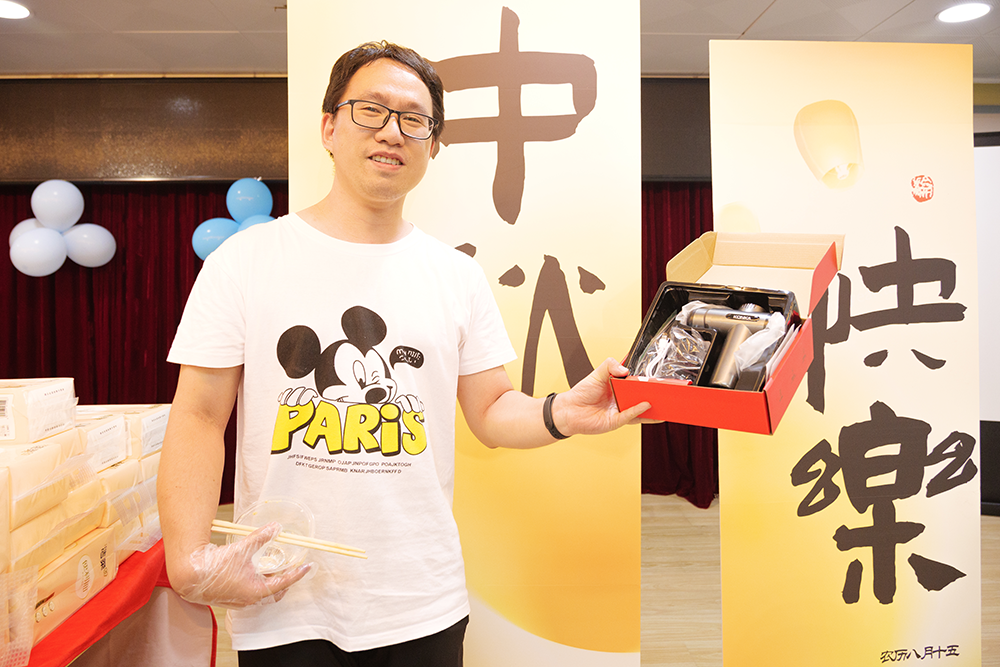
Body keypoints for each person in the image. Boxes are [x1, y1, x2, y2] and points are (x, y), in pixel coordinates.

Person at [157, 40, 650, 667]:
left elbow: (491, 410)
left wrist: (563, 413)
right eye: (371, 110)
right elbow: (200, 415)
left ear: (432, 146)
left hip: (420, 598)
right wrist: (188, 559)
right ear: (329, 127)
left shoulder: (455, 275)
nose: (393, 131)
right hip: (280, 595)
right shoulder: (245, 261)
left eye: (415, 119)